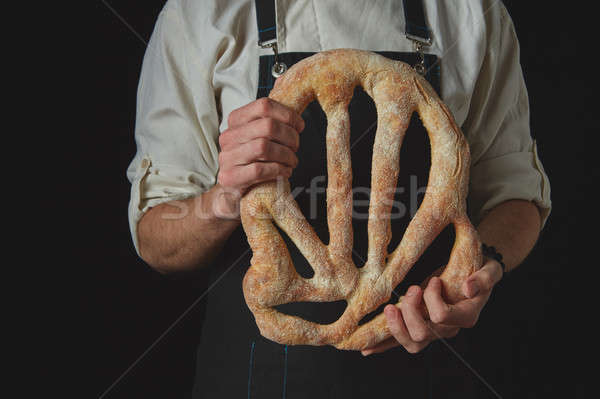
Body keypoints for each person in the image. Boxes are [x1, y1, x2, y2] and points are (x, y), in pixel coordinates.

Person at [126, 0, 551, 397]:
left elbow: (515, 195)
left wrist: (480, 270)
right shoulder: (203, 13)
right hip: (258, 375)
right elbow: (156, 241)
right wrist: (226, 196)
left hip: (429, 367)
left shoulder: (470, 12)